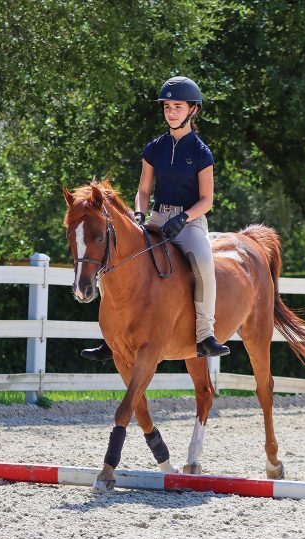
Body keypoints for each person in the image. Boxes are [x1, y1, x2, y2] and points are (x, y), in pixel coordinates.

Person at [82, 75, 230, 361]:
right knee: (111, 260)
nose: (171, 111)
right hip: (156, 218)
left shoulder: (201, 153)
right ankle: (109, 338)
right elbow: (144, 189)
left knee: (203, 265)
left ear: (193, 110)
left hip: (190, 223)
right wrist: (139, 213)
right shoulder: (154, 148)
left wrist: (185, 217)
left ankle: (205, 334)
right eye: (167, 107)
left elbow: (207, 200)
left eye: (178, 106)